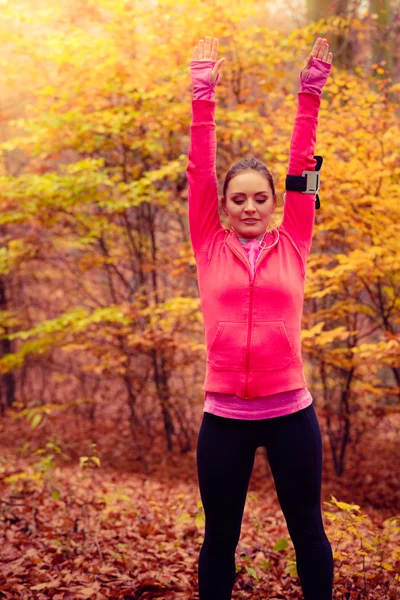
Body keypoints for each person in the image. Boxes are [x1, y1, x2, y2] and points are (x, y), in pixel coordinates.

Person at [186, 35, 334, 600]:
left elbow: (303, 166)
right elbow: (201, 170)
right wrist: (204, 95)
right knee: (219, 538)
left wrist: (310, 92)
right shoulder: (207, 242)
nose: (249, 207)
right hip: (223, 416)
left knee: (308, 534)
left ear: (275, 204)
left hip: (291, 413)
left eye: (259, 198)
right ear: (223, 207)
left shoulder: (295, 238)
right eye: (238, 199)